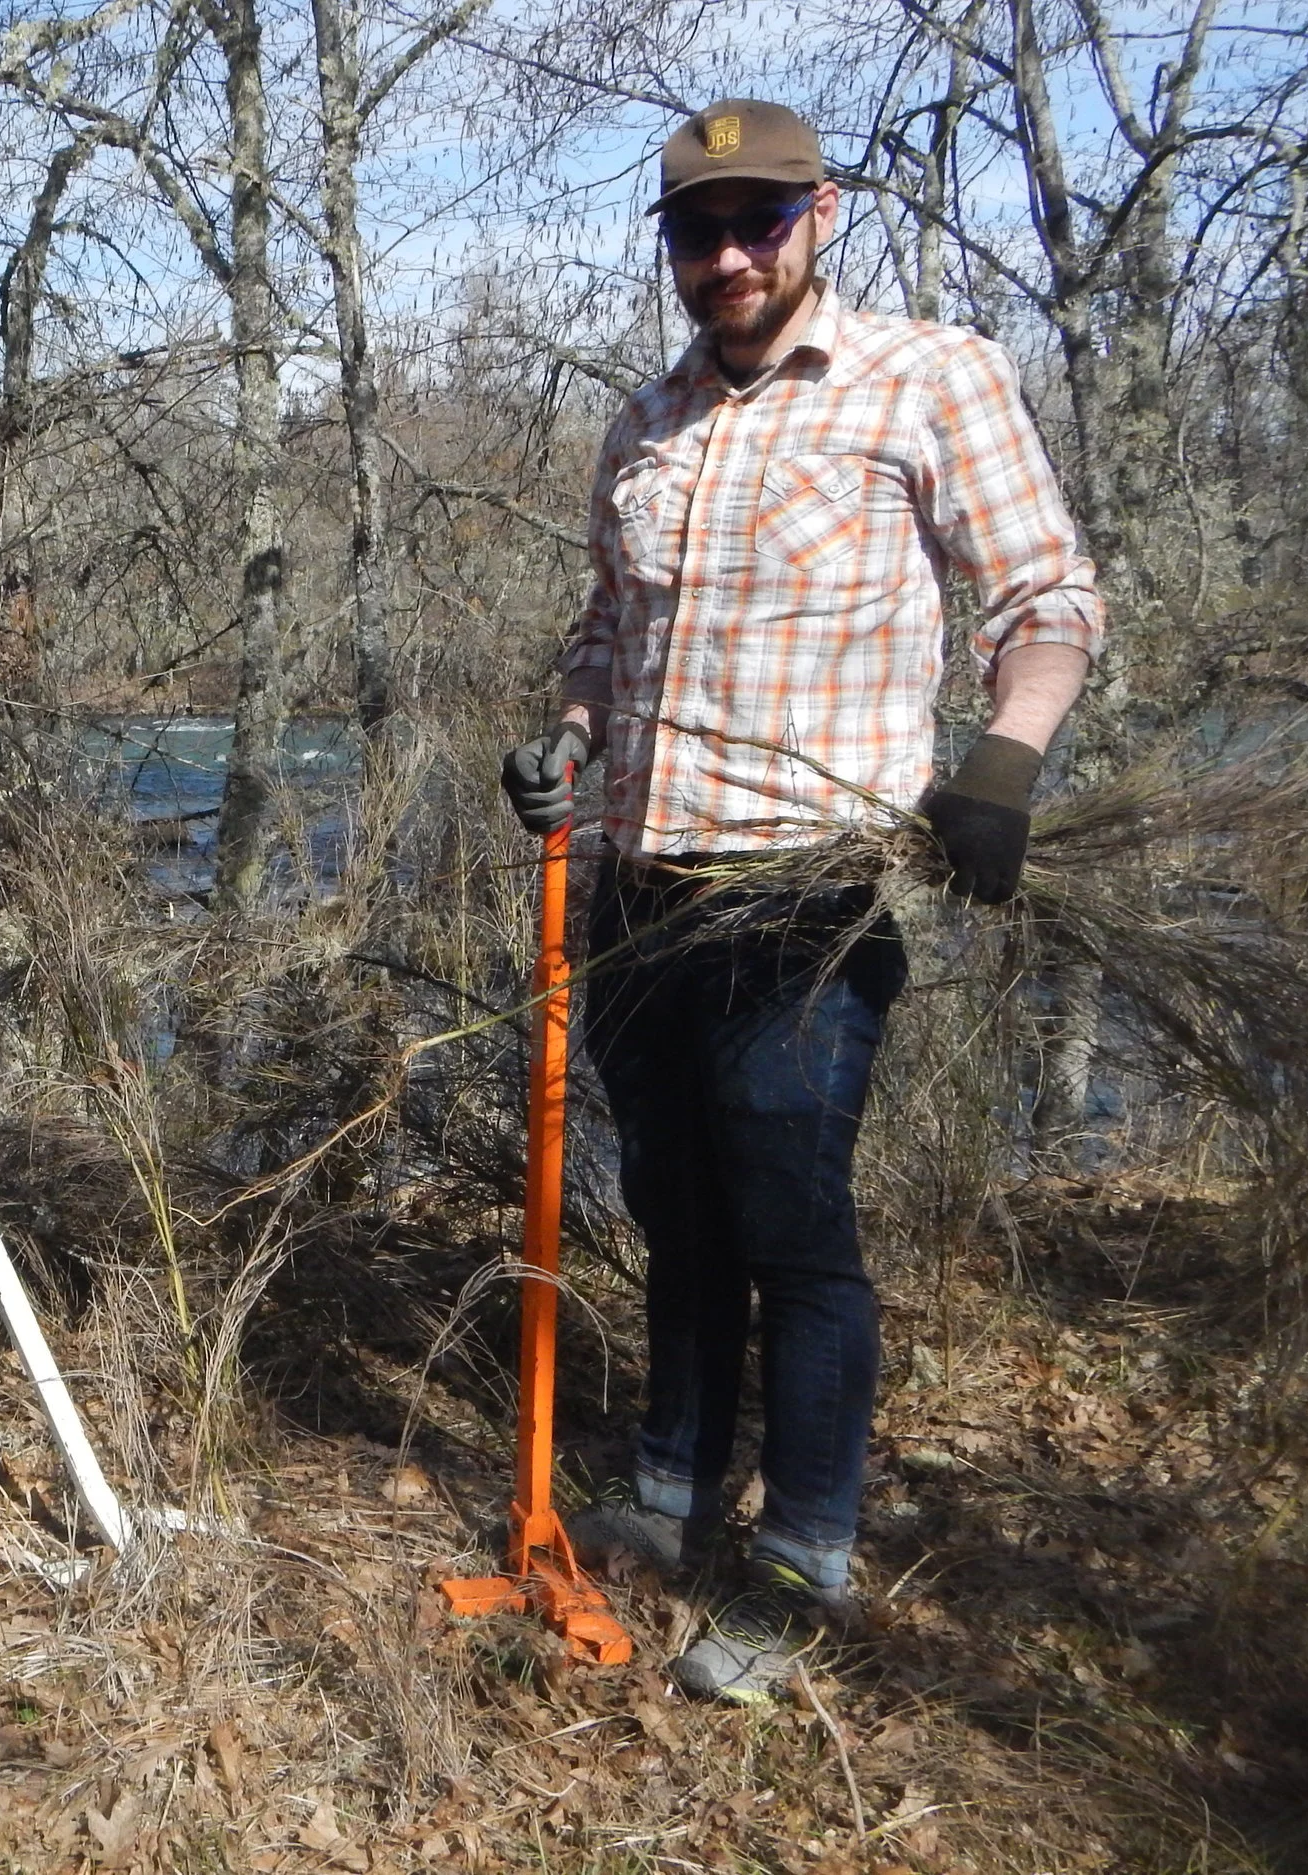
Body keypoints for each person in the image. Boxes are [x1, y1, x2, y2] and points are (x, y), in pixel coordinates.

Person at [500, 100, 1104, 1702]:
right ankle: (674, 1479)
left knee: (791, 1220)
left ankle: (803, 1548)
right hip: (638, 878)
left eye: (756, 222)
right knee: (675, 1203)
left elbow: (1047, 595)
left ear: (817, 217)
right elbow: (601, 634)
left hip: (809, 890)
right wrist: (564, 742)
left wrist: (1002, 763)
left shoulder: (928, 375)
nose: (727, 256)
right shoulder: (645, 420)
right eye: (697, 230)